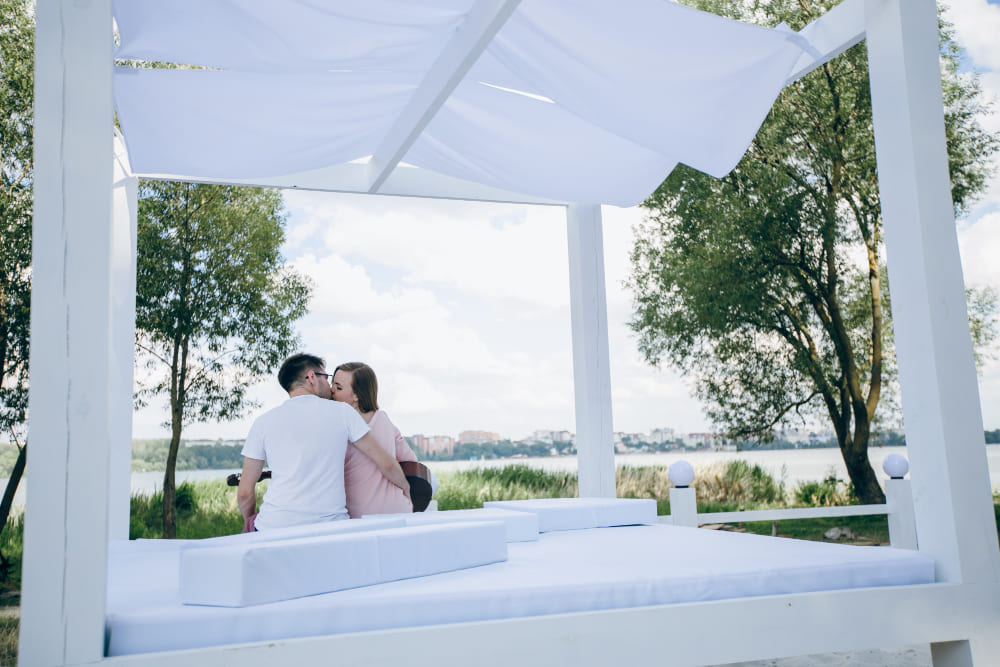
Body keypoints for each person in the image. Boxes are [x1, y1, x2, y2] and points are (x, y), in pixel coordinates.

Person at [237, 353, 409, 531]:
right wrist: (406, 487)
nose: (330, 386)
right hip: (331, 527)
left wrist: (250, 522)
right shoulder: (343, 412)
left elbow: (244, 493)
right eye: (326, 378)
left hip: (272, 526)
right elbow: (386, 463)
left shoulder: (263, 422)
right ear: (312, 377)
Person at [332, 362, 424, 518]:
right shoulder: (383, 418)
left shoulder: (339, 426)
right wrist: (405, 487)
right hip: (399, 509)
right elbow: (410, 460)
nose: (331, 390)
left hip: (361, 516)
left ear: (357, 395)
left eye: (338, 388)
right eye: (332, 384)